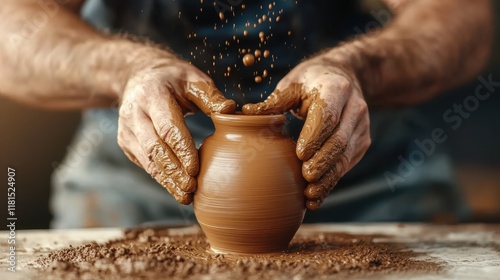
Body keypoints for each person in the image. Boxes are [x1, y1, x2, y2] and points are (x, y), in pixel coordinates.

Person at [0, 0, 493, 228]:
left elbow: (461, 18)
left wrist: (358, 67)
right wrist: (128, 69)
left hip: (373, 183)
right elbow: (12, 31)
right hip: (136, 184)